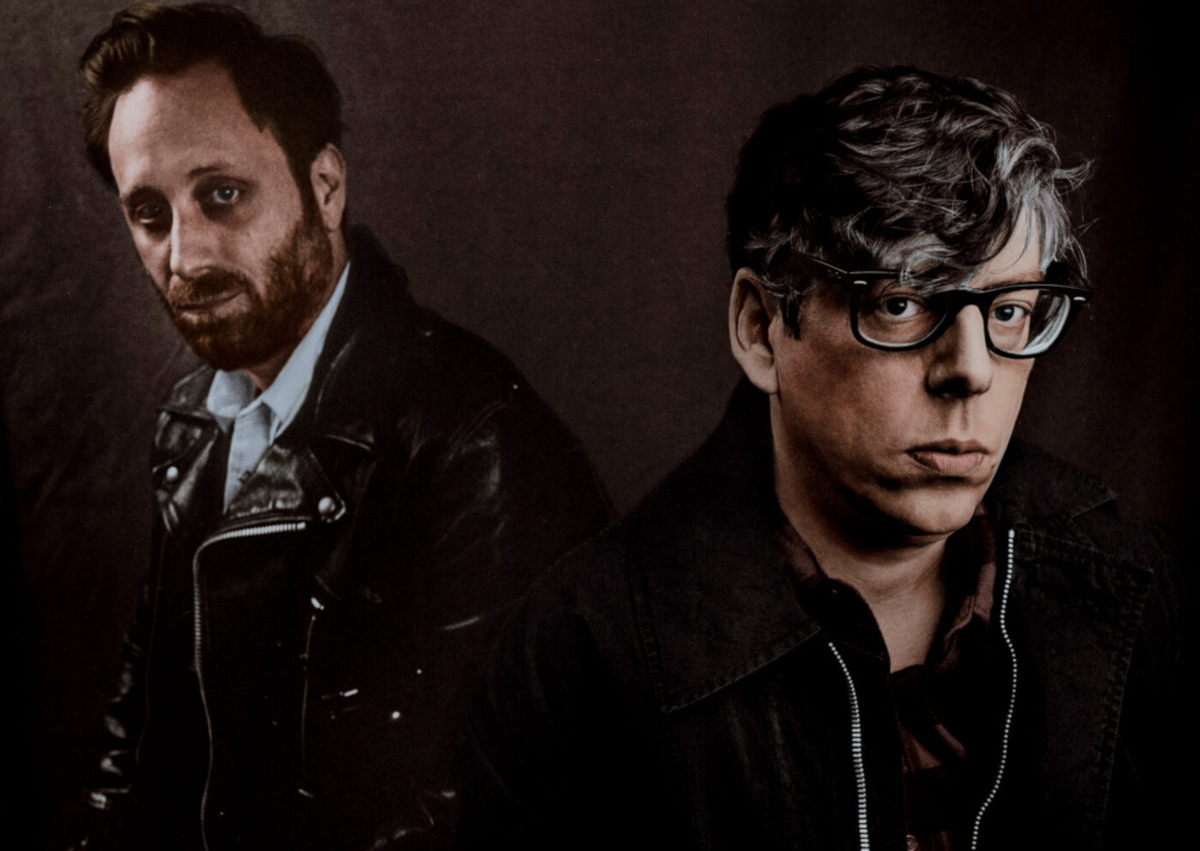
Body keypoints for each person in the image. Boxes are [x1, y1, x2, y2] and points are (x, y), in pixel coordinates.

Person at [457, 67, 1182, 849]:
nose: (971, 370)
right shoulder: (579, 659)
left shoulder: (1139, 585)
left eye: (1009, 311)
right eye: (901, 303)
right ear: (761, 329)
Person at [71, 2, 609, 850]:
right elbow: (140, 743)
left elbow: (482, 816)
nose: (185, 256)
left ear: (325, 187)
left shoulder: (479, 445)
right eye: (150, 214)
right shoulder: (192, 426)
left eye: (222, 195)